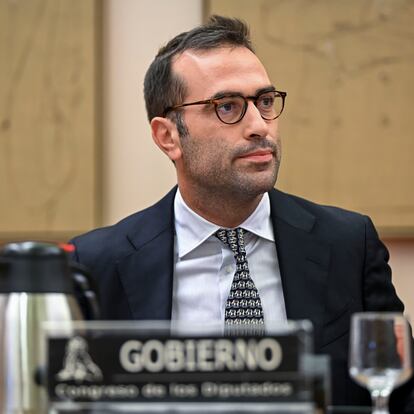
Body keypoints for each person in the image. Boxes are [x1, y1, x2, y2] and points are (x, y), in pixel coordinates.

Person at [70, 16, 414, 411]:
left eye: (265, 102)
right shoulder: (98, 265)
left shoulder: (348, 244)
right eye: (228, 106)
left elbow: (401, 393)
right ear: (168, 136)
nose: (259, 126)